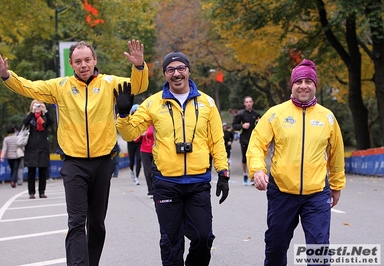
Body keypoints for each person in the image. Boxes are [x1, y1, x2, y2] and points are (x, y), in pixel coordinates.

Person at [0, 39, 149, 266]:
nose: (83, 65)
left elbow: (139, 86)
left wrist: (139, 67)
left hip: (103, 163)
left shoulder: (110, 83)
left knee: (96, 224)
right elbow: (29, 87)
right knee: (76, 222)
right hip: (74, 164)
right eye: (78, 61)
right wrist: (6, 75)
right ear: (72, 64)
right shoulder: (60, 87)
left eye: (87, 60)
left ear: (95, 61)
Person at [115, 51, 230, 266]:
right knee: (170, 242)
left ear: (188, 70)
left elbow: (217, 141)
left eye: (180, 68)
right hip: (166, 183)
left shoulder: (208, 103)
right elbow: (131, 134)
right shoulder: (152, 103)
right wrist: (122, 115)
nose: (176, 73)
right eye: (170, 69)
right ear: (165, 74)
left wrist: (223, 172)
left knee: (203, 238)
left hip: (198, 182)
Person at [247, 59, 346, 266]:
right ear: (292, 85)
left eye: (308, 81)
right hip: (282, 192)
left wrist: (336, 186)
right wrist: (257, 170)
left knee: (319, 250)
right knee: (275, 247)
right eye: (298, 81)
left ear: (315, 85)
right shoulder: (276, 113)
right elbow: (256, 143)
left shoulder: (327, 117)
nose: (303, 85)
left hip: (317, 194)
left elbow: (336, 153)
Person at [23, 100, 54, 199]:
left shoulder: (44, 117)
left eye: (39, 105)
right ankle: (31, 192)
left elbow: (52, 122)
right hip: (31, 148)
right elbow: (24, 123)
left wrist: (46, 111)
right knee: (31, 171)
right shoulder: (30, 117)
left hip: (43, 147)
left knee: (43, 171)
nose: (38, 107)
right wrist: (32, 112)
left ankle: (42, 191)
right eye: (36, 105)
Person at [232, 96, 260, 185]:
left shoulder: (256, 114)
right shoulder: (240, 114)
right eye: (247, 102)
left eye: (250, 102)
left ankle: (252, 176)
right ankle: (244, 174)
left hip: (254, 140)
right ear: (244, 104)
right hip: (244, 139)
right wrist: (242, 126)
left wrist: (259, 123)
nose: (248, 103)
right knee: (245, 158)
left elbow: (262, 125)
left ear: (253, 103)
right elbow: (234, 126)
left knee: (253, 158)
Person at [127, 104, 142, 185]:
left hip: (139, 142)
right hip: (131, 143)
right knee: (131, 160)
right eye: (134, 110)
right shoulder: (130, 119)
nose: (136, 112)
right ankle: (132, 171)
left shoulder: (141, 119)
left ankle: (137, 177)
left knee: (139, 159)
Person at [140, 125, 154, 198]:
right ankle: (150, 191)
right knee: (148, 171)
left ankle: (157, 189)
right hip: (145, 151)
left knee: (156, 171)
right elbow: (135, 139)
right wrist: (140, 133)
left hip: (156, 150)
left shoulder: (155, 123)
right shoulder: (143, 124)